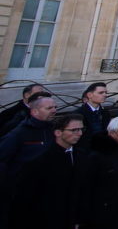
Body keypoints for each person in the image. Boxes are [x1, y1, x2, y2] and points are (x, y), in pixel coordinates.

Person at [10, 113, 87, 228]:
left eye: (81, 129)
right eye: (74, 130)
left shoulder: (82, 156)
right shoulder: (39, 159)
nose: (80, 133)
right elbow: (25, 197)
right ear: (58, 133)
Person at [0, 95, 57, 226]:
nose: (54, 110)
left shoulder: (52, 130)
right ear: (35, 111)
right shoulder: (19, 133)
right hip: (20, 193)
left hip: (44, 191)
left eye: (55, 107)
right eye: (49, 108)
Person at [77, 82, 110, 147]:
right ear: (89, 95)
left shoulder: (105, 112)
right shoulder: (79, 113)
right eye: (101, 93)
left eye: (106, 93)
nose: (105, 95)